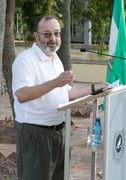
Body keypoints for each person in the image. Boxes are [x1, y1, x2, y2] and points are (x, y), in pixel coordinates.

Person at [12, 14, 108, 180]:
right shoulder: (25, 60)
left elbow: (65, 92)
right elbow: (22, 94)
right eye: (47, 34)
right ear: (36, 36)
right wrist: (55, 82)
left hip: (59, 132)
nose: (53, 39)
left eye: (56, 33)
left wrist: (94, 88)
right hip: (36, 134)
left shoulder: (55, 58)